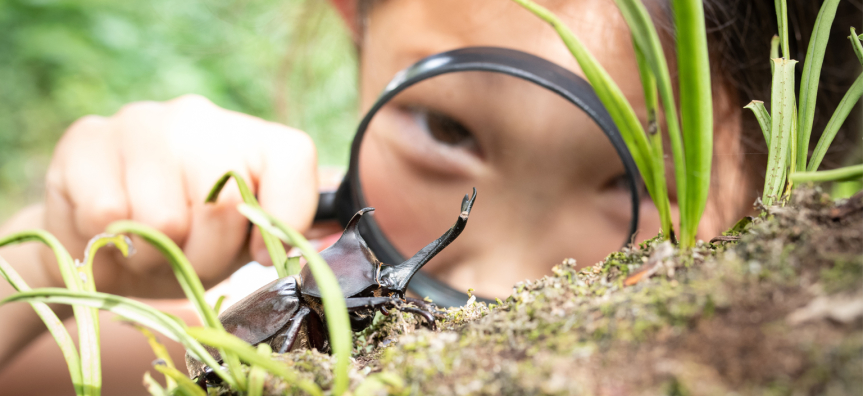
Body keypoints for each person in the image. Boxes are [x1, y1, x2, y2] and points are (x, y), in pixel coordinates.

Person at [0, 0, 858, 394]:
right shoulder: (291, 297)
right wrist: (62, 247)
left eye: (632, 175)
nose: (507, 273)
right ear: (354, 19)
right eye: (448, 132)